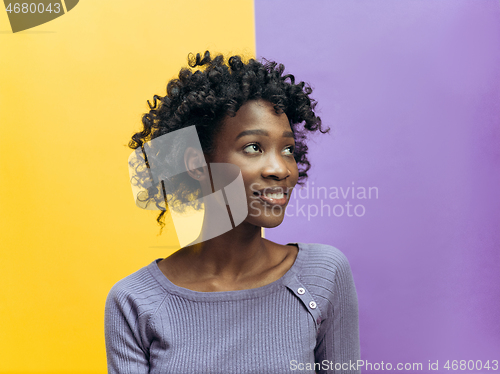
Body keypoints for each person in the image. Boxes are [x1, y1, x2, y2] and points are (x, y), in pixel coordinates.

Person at [104, 51, 360, 374]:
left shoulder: (322, 276)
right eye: (254, 147)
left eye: (288, 150)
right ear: (196, 164)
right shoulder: (135, 303)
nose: (281, 169)